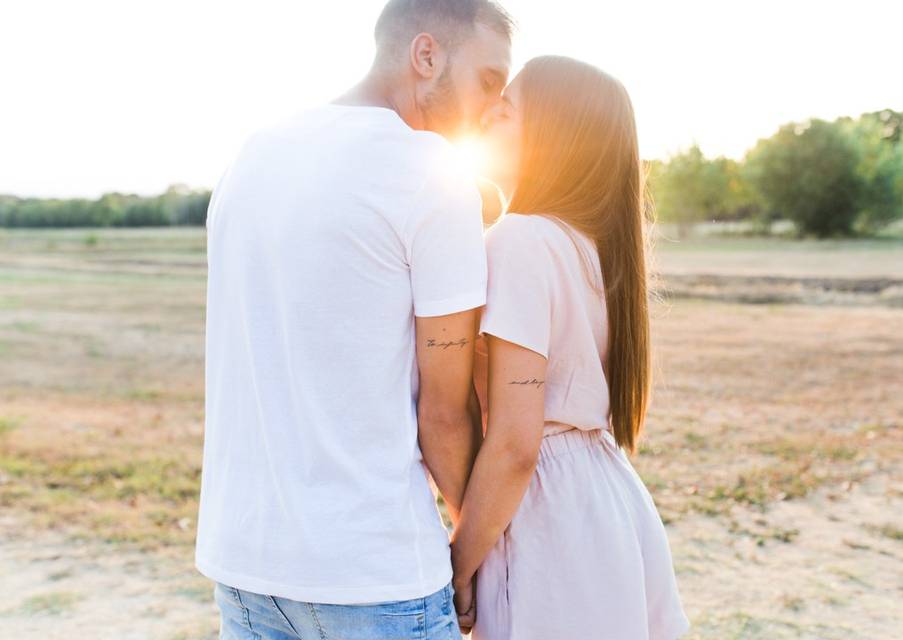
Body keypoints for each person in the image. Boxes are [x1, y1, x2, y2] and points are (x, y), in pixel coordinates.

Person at [194, 1, 513, 638]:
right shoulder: (431, 175)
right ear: (427, 56)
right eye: (489, 81)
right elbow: (443, 415)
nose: (494, 107)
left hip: (245, 568)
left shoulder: (252, 155)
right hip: (375, 575)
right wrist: (472, 542)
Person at [450, 56, 692, 639]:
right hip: (608, 501)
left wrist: (457, 567)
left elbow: (514, 443)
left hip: (546, 520)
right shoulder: (589, 248)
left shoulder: (520, 240)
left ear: (552, 140)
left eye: (504, 112)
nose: (483, 120)